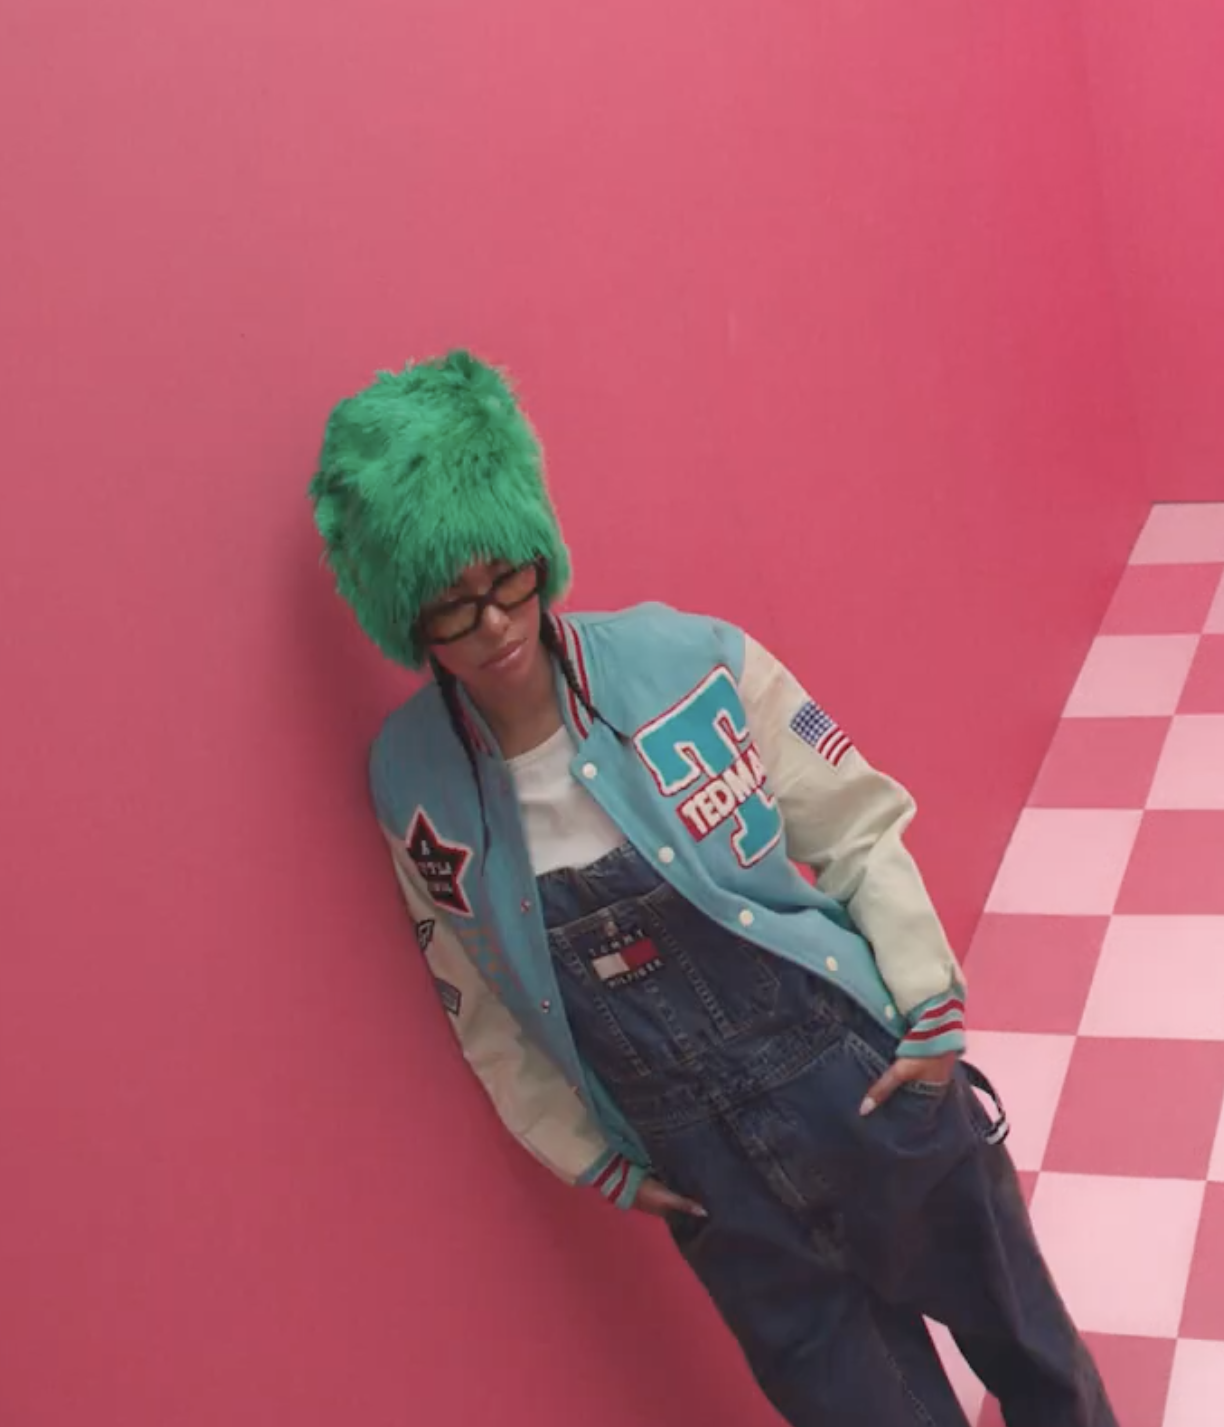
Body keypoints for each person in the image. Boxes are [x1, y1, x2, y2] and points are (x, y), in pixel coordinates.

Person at [309, 350, 1114, 1427]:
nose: (494, 623)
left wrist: (929, 1010)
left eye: (507, 580)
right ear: (406, 618)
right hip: (711, 1185)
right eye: (452, 609)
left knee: (1035, 1356)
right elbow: (477, 999)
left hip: (864, 1086)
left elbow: (856, 822)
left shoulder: (689, 661)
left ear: (538, 547)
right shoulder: (412, 786)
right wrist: (591, 1159)